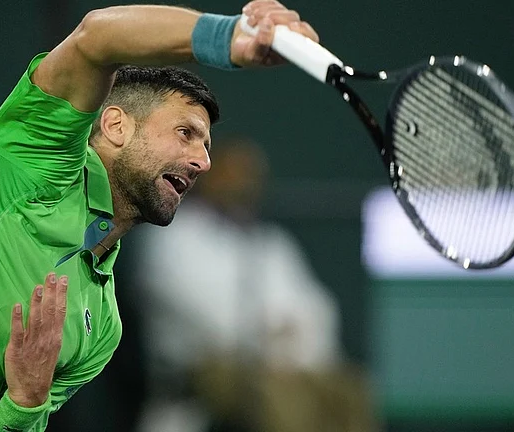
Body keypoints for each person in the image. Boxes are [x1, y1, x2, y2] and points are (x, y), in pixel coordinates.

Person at [0, 2, 320, 431]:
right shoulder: (37, 153)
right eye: (185, 133)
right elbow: (97, 38)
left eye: (207, 146)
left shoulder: (101, 331)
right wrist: (230, 36)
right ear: (115, 125)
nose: (203, 161)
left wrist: (24, 403)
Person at [133, 137, 379, 432]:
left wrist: (292, 352)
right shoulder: (173, 235)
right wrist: (273, 338)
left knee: (349, 390)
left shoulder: (270, 241)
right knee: (280, 396)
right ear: (206, 175)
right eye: (231, 175)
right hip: (203, 370)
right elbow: (212, 320)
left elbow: (317, 310)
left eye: (249, 177)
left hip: (286, 364)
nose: (241, 186)